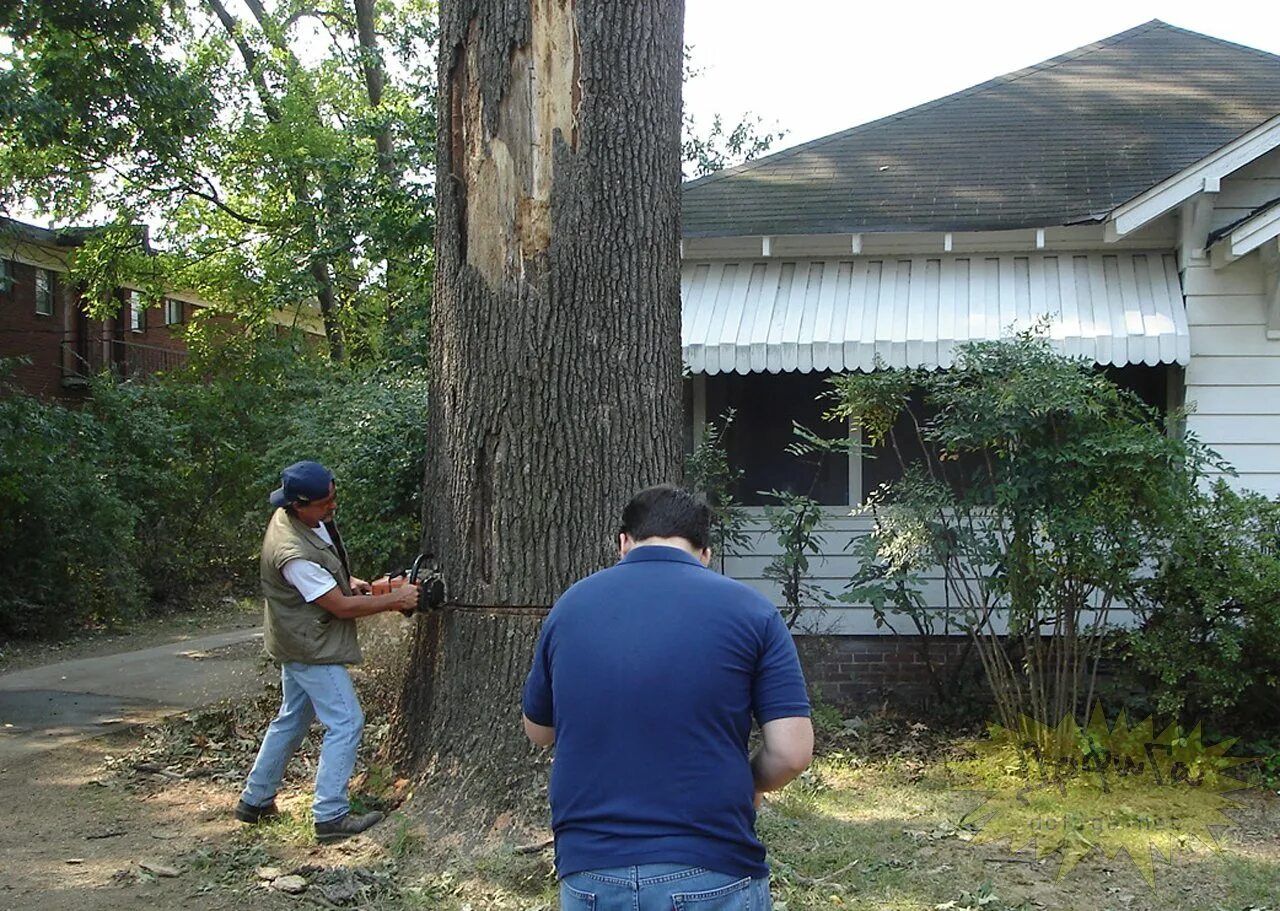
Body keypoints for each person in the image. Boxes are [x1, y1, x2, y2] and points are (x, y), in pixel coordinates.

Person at [521, 484, 814, 910]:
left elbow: (538, 730)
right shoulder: (753, 612)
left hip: (590, 871)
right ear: (705, 554)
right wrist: (745, 782)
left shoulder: (570, 608)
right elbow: (792, 753)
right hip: (712, 864)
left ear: (624, 542)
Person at [236, 460, 419, 842]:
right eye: (324, 503)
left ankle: (255, 800)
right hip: (310, 647)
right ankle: (330, 815)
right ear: (298, 505)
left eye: (333, 498)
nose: (332, 507)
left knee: (292, 719)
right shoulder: (293, 552)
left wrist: (348, 580)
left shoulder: (302, 520)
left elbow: (330, 577)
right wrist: (395, 599)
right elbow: (339, 606)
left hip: (296, 638)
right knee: (347, 721)